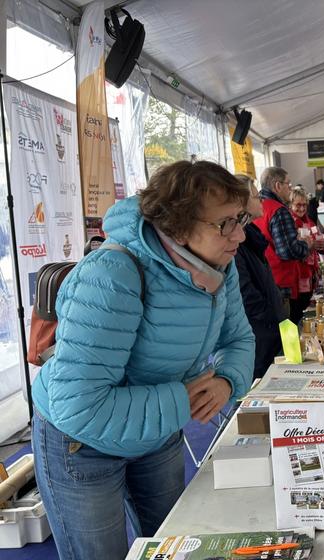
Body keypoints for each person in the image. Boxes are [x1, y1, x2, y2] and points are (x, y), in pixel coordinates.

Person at [30, 161, 255, 559]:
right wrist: (179, 400)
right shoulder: (112, 275)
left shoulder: (220, 264)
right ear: (178, 226)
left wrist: (225, 381)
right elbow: (78, 404)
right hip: (82, 444)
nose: (239, 234)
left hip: (156, 431)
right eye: (224, 224)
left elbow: (238, 337)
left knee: (174, 543)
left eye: (240, 219)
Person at [235, 175, 287, 378]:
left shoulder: (251, 235)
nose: (262, 202)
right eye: (256, 197)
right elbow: (245, 292)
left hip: (268, 328)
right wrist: (270, 316)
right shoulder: (236, 245)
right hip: (259, 334)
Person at [255, 166, 313, 324]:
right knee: (286, 332)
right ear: (277, 186)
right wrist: (306, 245)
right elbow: (287, 251)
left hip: (262, 278)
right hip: (281, 281)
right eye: (288, 184)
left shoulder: (257, 207)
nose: (290, 188)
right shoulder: (279, 211)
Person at [290, 187, 324, 290]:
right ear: (290, 204)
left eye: (304, 205)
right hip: (297, 273)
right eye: (298, 205)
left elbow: (318, 238)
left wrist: (322, 244)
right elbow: (292, 250)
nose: (302, 209)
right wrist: (310, 247)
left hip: (311, 271)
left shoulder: (309, 221)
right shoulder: (289, 223)